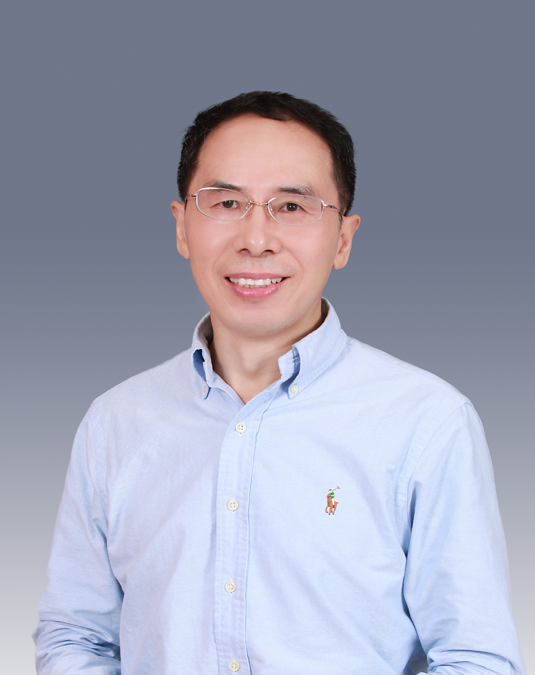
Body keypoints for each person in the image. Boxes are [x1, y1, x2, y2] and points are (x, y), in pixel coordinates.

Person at [34, 91, 525, 675]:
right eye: (226, 202)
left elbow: (475, 659)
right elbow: (76, 638)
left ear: (343, 239)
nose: (256, 238)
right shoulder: (116, 423)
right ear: (182, 227)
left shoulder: (427, 423)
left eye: (292, 206)